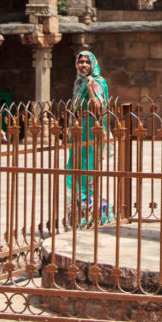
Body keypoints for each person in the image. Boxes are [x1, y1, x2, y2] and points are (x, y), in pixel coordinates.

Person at [66, 50, 111, 226]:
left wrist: (91, 87)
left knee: (89, 170)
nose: (83, 65)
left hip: (92, 131)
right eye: (80, 61)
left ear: (93, 64)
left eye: (86, 62)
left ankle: (92, 209)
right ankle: (78, 211)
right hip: (78, 132)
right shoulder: (78, 82)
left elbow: (99, 108)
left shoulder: (99, 82)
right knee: (75, 170)